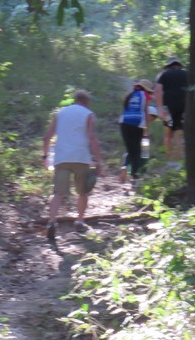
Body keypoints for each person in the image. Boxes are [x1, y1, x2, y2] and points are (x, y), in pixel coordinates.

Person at [42, 89, 103, 241]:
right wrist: (98, 160)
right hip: (81, 157)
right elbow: (92, 138)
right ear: (86, 101)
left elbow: (47, 137)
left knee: (58, 193)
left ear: (75, 99)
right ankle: (80, 221)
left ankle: (51, 222)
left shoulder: (60, 113)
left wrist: (45, 156)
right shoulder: (88, 114)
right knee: (83, 192)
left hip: (61, 157)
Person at [154, 56, 188, 159]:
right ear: (179, 65)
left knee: (168, 132)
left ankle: (169, 157)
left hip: (168, 108)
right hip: (184, 106)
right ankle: (179, 157)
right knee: (179, 131)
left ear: (168, 66)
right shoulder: (187, 74)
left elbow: (158, 90)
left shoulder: (164, 74)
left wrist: (159, 108)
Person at [117, 80, 149, 189]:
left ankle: (125, 171)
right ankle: (134, 178)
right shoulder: (145, 95)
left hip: (124, 124)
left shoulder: (129, 94)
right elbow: (145, 111)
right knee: (137, 152)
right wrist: (146, 129)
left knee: (130, 150)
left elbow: (124, 109)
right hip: (137, 124)